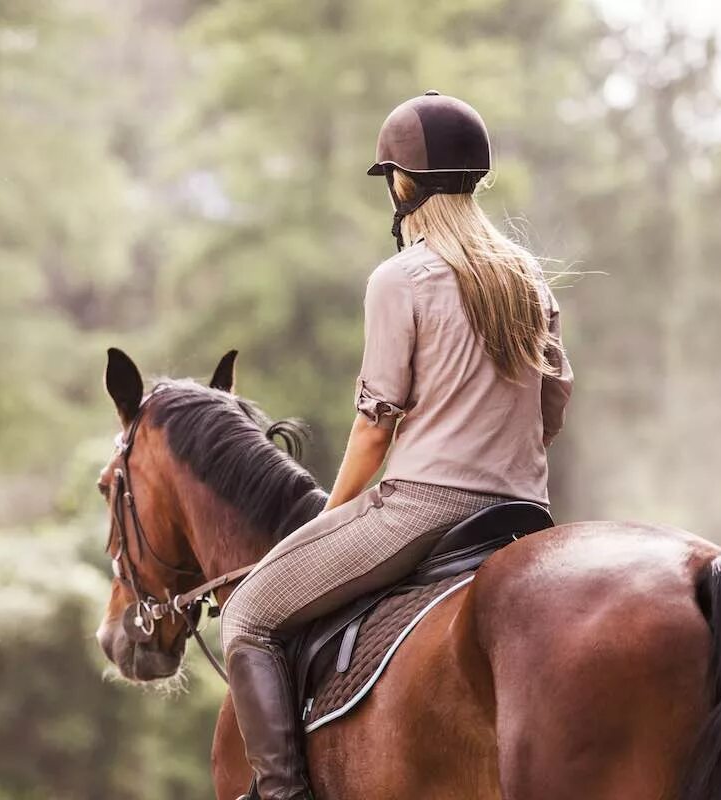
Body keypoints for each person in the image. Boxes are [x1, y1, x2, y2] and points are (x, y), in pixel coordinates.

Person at [219, 91, 574, 800]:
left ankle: (282, 795)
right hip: (522, 510)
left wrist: (328, 519)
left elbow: (375, 425)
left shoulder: (400, 278)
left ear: (401, 183)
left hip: (421, 509)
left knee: (246, 615)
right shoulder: (525, 279)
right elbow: (552, 406)